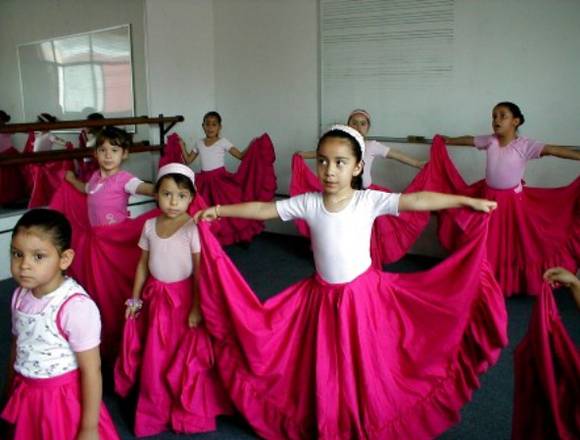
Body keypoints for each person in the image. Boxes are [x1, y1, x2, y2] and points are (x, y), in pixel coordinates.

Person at [193, 125, 507, 439]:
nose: (329, 170)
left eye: (340, 162)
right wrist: (219, 210)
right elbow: (263, 209)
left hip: (364, 298)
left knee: (366, 360)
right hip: (321, 298)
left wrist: (465, 202)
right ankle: (329, 413)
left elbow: (418, 201)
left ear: (357, 167)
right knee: (326, 362)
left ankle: (368, 412)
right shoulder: (309, 202)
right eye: (323, 161)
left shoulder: (368, 200)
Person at [116, 163, 231, 437]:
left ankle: (183, 407)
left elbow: (200, 270)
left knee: (182, 356)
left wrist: (196, 306)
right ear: (157, 195)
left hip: (183, 300)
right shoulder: (148, 225)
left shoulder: (192, 227)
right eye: (167, 194)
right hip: (155, 298)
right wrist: (134, 300)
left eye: (181, 195)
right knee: (156, 354)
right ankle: (154, 409)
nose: (174, 201)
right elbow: (143, 264)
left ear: (191, 198)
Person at [437, 101, 580, 296]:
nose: (496, 120)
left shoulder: (525, 145)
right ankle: (481, 279)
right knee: (487, 241)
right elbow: (470, 140)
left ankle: (510, 282)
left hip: (513, 204)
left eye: (502, 116)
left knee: (513, 243)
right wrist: (449, 140)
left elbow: (554, 150)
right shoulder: (490, 141)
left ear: (516, 121)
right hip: (487, 199)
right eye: (494, 116)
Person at [1, 209, 119, 439]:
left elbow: (91, 370)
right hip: (26, 392)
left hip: (61, 402)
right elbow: (17, 346)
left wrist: (89, 428)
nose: (24, 265)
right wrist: (9, 390)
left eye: (38, 256)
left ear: (64, 259)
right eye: (17, 254)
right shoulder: (19, 296)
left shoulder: (76, 307)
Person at [52, 126, 155, 364]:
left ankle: (124, 335)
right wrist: (70, 179)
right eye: (103, 150)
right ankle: (96, 334)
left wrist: (167, 188)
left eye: (114, 150)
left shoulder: (125, 180)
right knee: (96, 288)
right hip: (95, 245)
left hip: (115, 244)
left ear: (125, 154)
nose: (108, 155)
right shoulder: (95, 178)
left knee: (116, 288)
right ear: (96, 154)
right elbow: (84, 190)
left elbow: (145, 188)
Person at [292, 109, 430, 265]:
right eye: (354, 122)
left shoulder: (371, 146)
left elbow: (396, 155)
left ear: (368, 128)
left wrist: (418, 164)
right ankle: (339, 260)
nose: (358, 126)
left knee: (366, 232)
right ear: (348, 124)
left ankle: (364, 263)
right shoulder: (339, 145)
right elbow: (320, 154)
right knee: (340, 229)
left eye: (362, 123)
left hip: (365, 195)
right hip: (342, 195)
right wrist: (302, 155)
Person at [180, 111, 277, 245]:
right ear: (202, 126)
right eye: (207, 124)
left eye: (214, 124)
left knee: (227, 207)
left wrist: (252, 145)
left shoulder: (223, 142)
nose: (210, 127)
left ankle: (237, 235)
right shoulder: (199, 143)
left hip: (220, 180)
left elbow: (241, 156)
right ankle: (210, 238)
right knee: (205, 208)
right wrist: (182, 146)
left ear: (220, 127)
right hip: (204, 181)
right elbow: (188, 160)